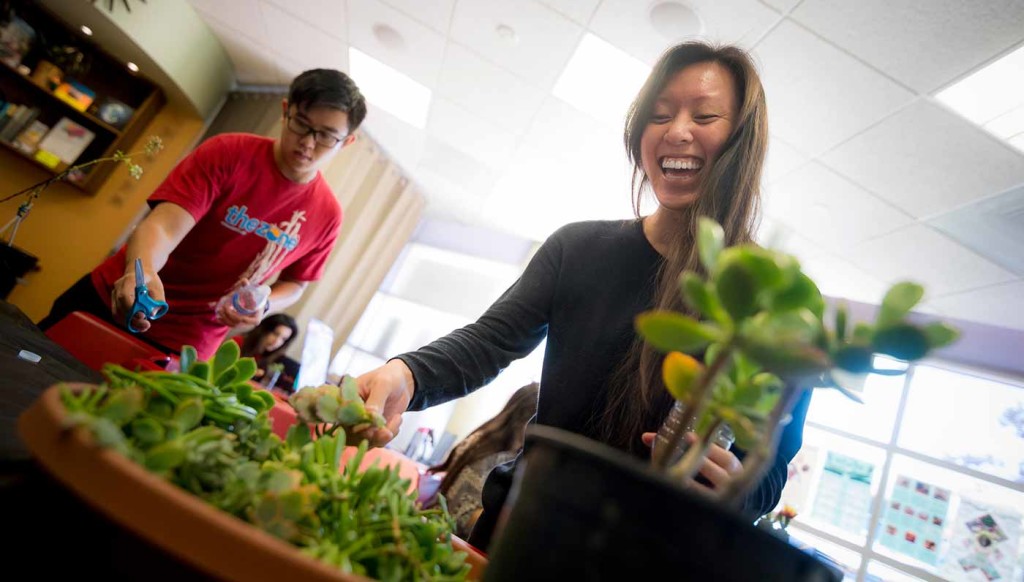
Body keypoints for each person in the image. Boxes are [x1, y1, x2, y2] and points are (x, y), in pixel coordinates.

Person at [355, 41, 812, 550]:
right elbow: (488, 341)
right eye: (659, 115)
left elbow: (766, 473)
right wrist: (406, 373)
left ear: (742, 139)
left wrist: (736, 490)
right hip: (515, 531)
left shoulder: (774, 301)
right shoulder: (578, 247)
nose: (676, 130)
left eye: (704, 115)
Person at [38, 69, 366, 359]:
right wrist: (144, 272)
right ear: (285, 111)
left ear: (346, 141)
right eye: (301, 124)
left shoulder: (328, 215)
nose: (308, 143)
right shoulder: (228, 152)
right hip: (116, 299)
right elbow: (164, 227)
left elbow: (296, 282)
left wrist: (266, 301)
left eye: (325, 135)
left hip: (187, 345)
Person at [425, 383, 539, 539]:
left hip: (432, 522)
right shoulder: (503, 460)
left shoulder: (482, 438)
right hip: (450, 539)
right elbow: (467, 516)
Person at [235, 312, 299, 381]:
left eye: (283, 339)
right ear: (264, 329)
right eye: (275, 334)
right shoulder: (238, 342)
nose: (277, 341)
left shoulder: (270, 358)